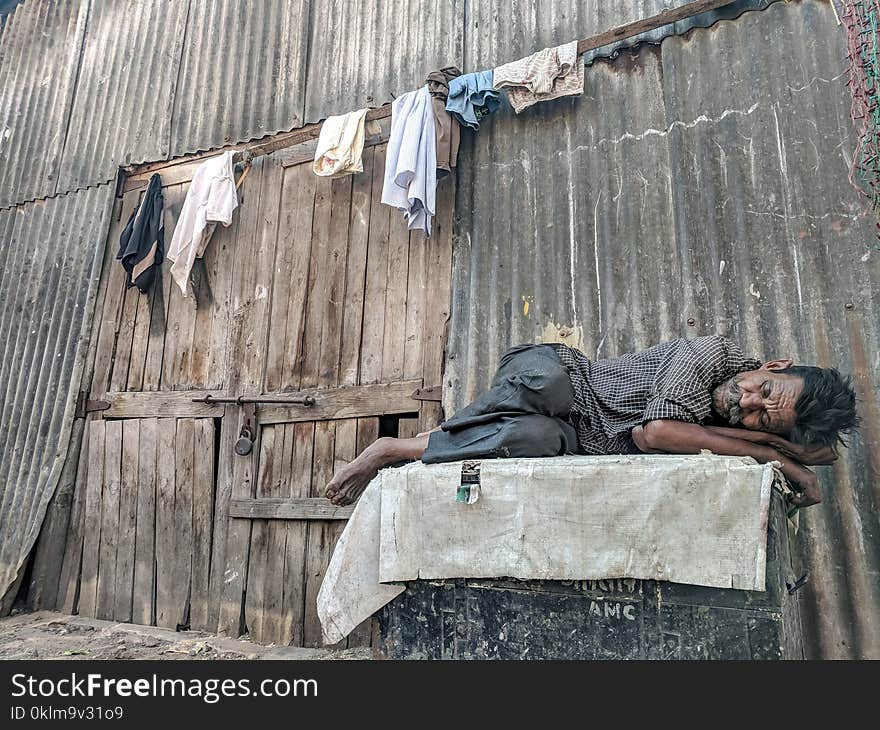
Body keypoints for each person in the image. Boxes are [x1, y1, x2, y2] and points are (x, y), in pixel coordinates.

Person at [325, 336, 858, 509]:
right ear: (775, 365)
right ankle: (390, 449)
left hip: (580, 437)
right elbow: (656, 434)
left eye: (759, 415)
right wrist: (767, 449)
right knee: (545, 390)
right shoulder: (714, 353)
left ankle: (390, 450)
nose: (745, 401)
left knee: (527, 439)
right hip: (560, 373)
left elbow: (658, 436)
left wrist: (768, 440)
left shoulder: (733, 420)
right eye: (762, 389)